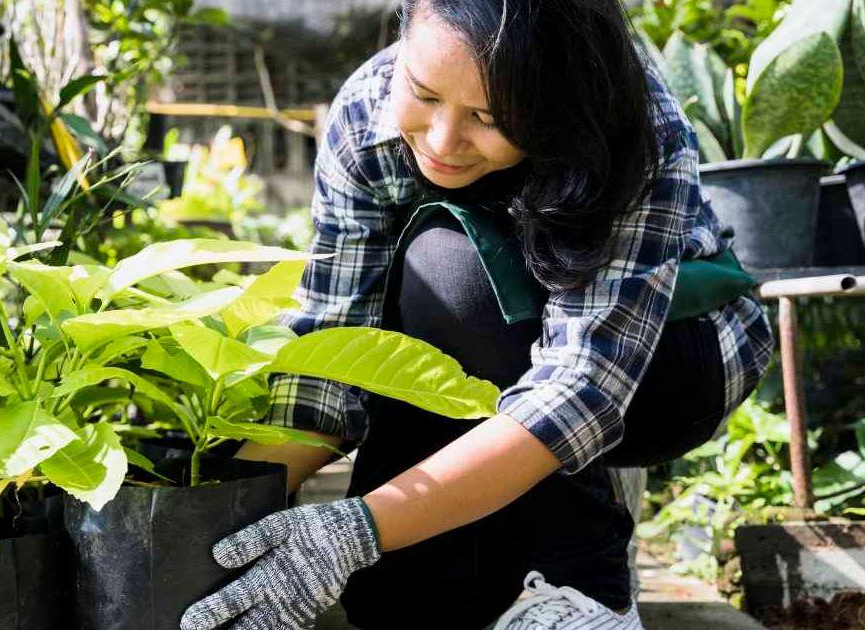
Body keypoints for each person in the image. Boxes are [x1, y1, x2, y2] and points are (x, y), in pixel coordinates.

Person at [181, 1, 774, 628]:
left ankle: (580, 590)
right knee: (396, 601)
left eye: (488, 117)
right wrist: (213, 523)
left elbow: (580, 389)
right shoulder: (366, 111)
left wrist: (355, 530)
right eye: (424, 94)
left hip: (665, 366)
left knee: (452, 265)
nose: (442, 141)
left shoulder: (636, 124)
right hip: (477, 366)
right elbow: (332, 349)